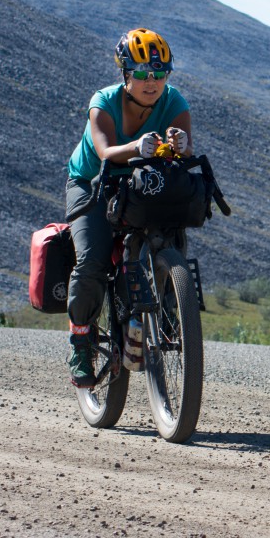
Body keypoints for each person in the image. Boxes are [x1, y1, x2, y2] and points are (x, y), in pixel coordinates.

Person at [65, 28, 192, 388]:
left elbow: (185, 147)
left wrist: (180, 143)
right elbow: (105, 151)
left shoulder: (174, 101)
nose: (151, 82)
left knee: (168, 238)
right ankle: (80, 339)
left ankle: (166, 310)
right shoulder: (102, 102)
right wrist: (137, 145)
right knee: (91, 260)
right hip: (92, 184)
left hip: (141, 183)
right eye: (140, 74)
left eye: (159, 73)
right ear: (125, 73)